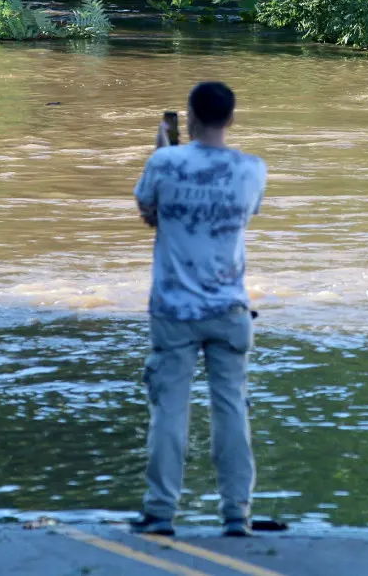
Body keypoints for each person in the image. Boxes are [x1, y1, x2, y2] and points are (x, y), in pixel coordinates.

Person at [130, 81, 267, 538]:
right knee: (231, 409)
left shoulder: (164, 161)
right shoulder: (251, 170)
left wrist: (160, 150)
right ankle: (236, 514)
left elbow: (150, 215)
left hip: (173, 309)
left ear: (190, 116)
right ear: (230, 119)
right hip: (229, 306)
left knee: (169, 410)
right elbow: (239, 218)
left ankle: (160, 512)